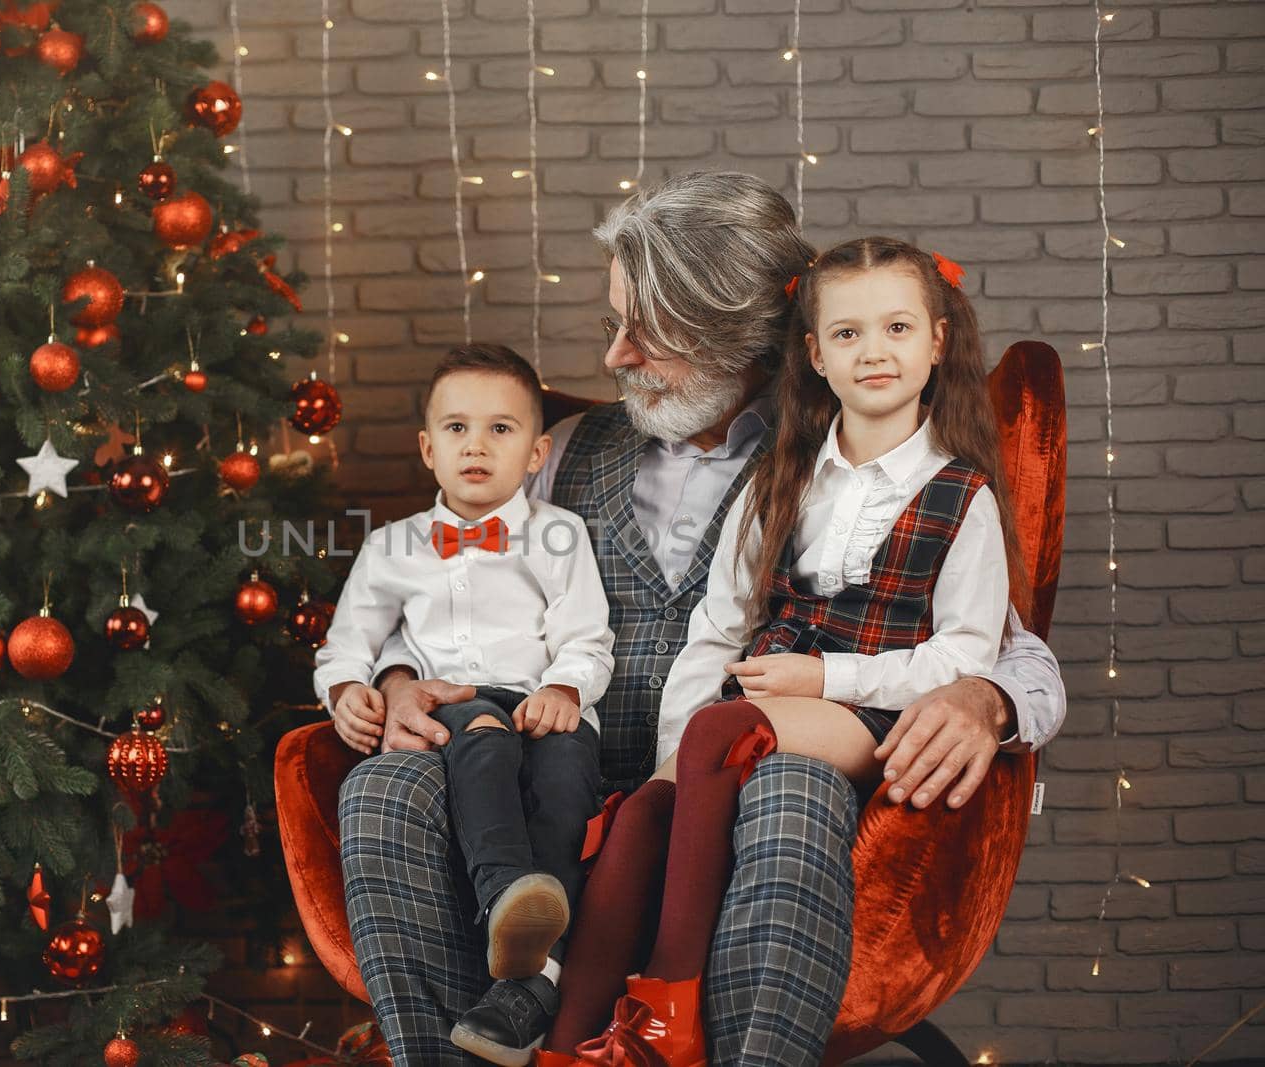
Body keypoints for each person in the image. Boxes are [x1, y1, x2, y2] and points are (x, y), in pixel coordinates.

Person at [338, 171, 1067, 1067]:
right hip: (553, 781)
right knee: (383, 787)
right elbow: (451, 592)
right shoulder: (554, 452)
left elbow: (1013, 654)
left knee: (792, 788)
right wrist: (399, 679)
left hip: (734, 801)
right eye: (616, 325)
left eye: (649, 334)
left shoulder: (833, 464)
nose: (613, 358)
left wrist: (984, 699)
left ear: (744, 339)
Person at [544, 236, 1031, 1063]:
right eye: (847, 334)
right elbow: (720, 624)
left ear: (939, 340)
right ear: (813, 354)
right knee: (640, 816)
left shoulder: (962, 495)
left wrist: (823, 674)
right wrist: (667, 768)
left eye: (898, 329)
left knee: (717, 732)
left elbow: (965, 656)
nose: (874, 352)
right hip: (767, 705)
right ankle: (565, 1046)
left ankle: (669, 1003)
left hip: (872, 710)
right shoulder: (785, 476)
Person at [314, 343, 615, 1067]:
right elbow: (345, 644)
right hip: (454, 699)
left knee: (569, 767)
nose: (476, 444)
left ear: (538, 451)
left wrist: (565, 689)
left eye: (501, 429)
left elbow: (587, 635)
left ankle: (534, 964)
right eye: (456, 428)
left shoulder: (559, 534)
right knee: (482, 733)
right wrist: (349, 691)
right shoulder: (391, 547)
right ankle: (506, 895)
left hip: (541, 698)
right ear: (427, 447)